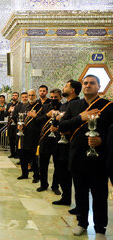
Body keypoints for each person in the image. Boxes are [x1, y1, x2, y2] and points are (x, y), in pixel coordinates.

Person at [60, 75, 113, 239]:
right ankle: (82, 223)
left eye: (92, 83)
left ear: (99, 87)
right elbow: (62, 125)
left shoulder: (108, 106)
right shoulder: (74, 105)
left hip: (99, 159)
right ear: (82, 87)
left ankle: (100, 229)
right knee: (81, 194)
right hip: (78, 157)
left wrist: (102, 140)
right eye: (85, 83)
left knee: (99, 195)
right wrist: (80, 118)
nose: (88, 85)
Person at [52, 80, 81, 207]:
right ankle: (66, 197)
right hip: (60, 143)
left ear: (72, 90)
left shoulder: (78, 104)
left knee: (72, 174)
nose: (63, 88)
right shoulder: (64, 105)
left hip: (71, 143)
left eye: (66, 86)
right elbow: (58, 121)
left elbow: (76, 123)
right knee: (61, 172)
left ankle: (78, 203)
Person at [36, 89, 63, 194]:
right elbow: (37, 120)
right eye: (51, 97)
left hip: (58, 140)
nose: (53, 99)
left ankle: (55, 186)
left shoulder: (64, 107)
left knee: (58, 165)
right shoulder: (45, 107)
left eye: (55, 97)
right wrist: (47, 115)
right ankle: (43, 184)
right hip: (45, 140)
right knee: (42, 164)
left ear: (60, 97)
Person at [16, 89, 42, 182]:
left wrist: (35, 116)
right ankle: (24, 174)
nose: (30, 97)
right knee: (22, 155)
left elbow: (41, 120)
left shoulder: (40, 107)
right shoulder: (25, 106)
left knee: (33, 157)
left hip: (34, 135)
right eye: (29, 95)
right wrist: (19, 125)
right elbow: (20, 118)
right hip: (24, 135)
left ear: (36, 96)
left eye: (32, 95)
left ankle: (36, 176)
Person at [5, 92, 20, 158]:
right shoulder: (9, 104)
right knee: (11, 139)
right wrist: (8, 111)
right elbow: (5, 114)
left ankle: (17, 153)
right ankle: (12, 153)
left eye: (16, 95)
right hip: (10, 124)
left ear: (18, 97)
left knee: (16, 139)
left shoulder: (20, 104)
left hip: (17, 124)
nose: (14, 96)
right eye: (13, 95)